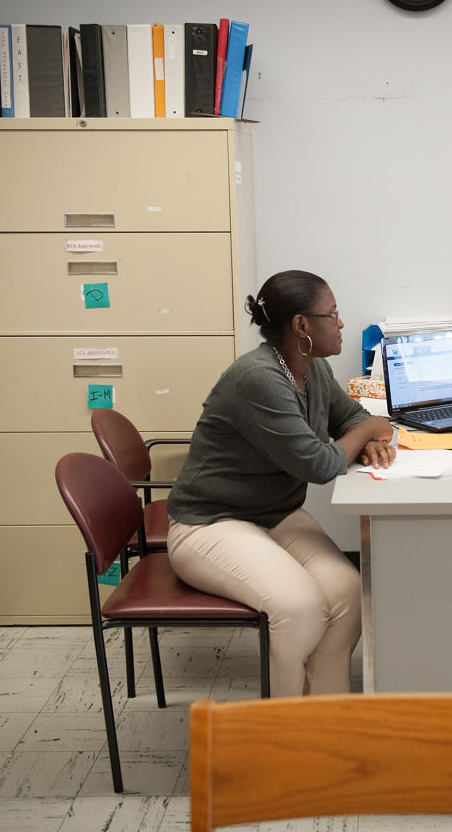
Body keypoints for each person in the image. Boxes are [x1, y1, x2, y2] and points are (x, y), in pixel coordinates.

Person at [166, 270, 395, 696]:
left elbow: (350, 418)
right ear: (301, 325)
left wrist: (365, 436)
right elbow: (320, 464)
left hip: (274, 515)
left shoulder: (312, 369)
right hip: (209, 523)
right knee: (299, 607)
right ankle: (280, 732)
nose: (341, 323)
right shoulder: (259, 378)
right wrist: (367, 435)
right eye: (334, 314)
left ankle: (325, 718)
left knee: (347, 596)